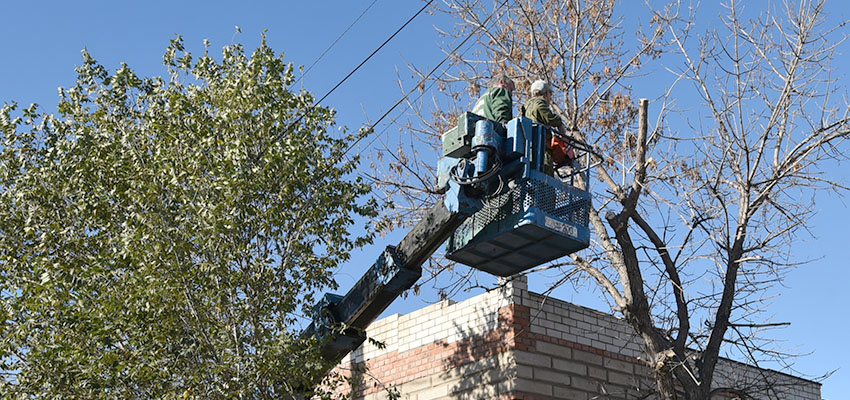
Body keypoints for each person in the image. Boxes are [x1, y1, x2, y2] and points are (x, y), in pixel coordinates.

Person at [523, 80, 575, 176]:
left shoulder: (526, 107)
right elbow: (552, 119)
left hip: (528, 150)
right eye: (550, 94)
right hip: (541, 151)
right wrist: (561, 130)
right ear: (546, 94)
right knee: (546, 178)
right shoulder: (539, 104)